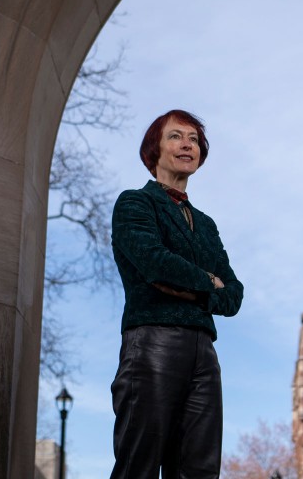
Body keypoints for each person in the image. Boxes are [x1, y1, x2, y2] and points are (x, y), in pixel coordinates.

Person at [108, 109, 244, 479]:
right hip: (153, 342)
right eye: (176, 136)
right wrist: (207, 281)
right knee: (140, 461)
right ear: (155, 149)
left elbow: (233, 295)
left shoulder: (206, 224)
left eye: (194, 139)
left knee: (199, 469)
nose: (187, 144)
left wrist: (190, 285)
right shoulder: (135, 203)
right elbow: (154, 263)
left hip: (204, 352)